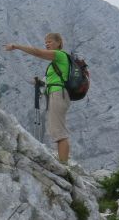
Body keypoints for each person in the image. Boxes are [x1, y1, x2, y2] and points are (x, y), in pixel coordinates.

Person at [4, 33, 71, 163]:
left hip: (58, 94)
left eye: (50, 42)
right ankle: (63, 163)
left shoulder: (60, 55)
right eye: (45, 42)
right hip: (55, 94)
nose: (47, 44)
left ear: (58, 43)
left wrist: (17, 46)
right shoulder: (55, 63)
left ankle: (64, 165)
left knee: (59, 131)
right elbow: (52, 79)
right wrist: (40, 82)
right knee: (56, 130)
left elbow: (38, 53)